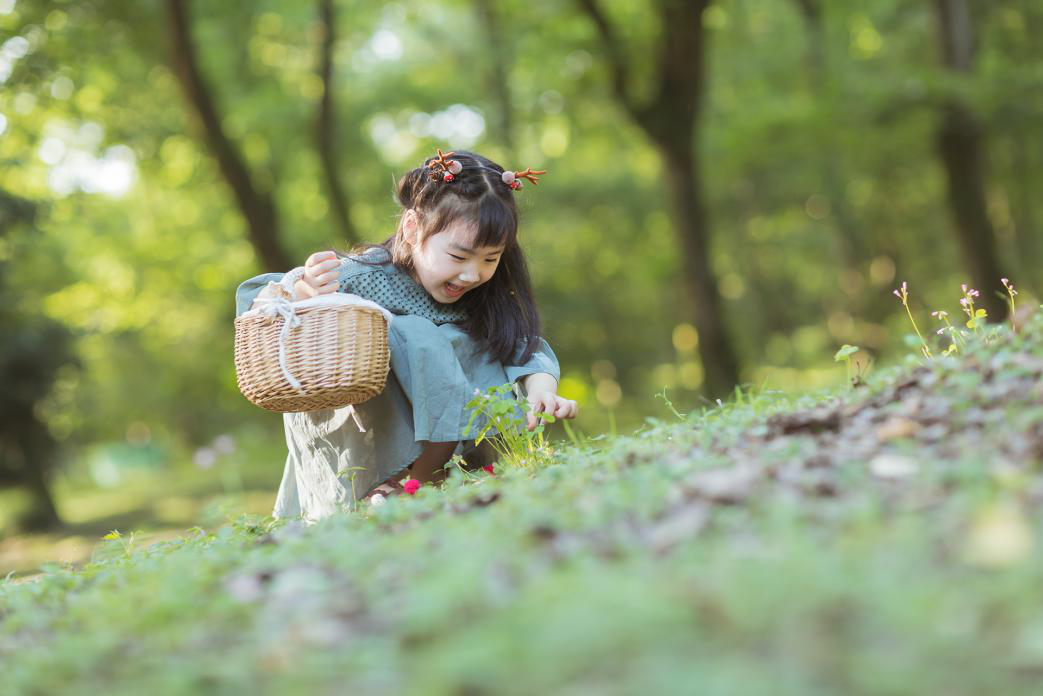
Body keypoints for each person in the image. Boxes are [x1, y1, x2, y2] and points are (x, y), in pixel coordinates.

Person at [234, 149, 578, 522]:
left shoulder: (483, 297)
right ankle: (395, 485)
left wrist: (542, 390)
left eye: (490, 259)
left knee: (468, 341)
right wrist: (303, 291)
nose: (472, 274)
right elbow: (261, 300)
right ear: (412, 229)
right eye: (459, 257)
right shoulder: (363, 277)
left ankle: (436, 483)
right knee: (416, 335)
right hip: (372, 440)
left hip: (454, 451)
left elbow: (523, 348)